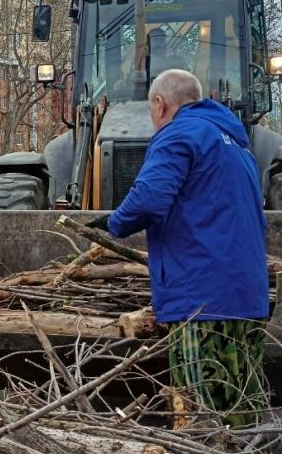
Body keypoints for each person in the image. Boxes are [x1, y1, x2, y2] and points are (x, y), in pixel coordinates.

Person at [86, 70, 269, 427]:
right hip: (247, 294)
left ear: (160, 103)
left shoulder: (179, 134)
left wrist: (115, 222)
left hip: (202, 298)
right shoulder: (236, 144)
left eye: (152, 114)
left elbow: (149, 199)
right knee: (242, 400)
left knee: (197, 406)